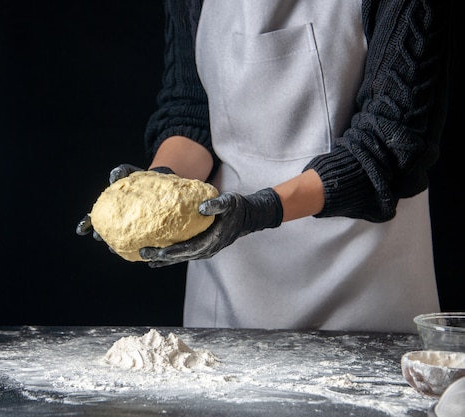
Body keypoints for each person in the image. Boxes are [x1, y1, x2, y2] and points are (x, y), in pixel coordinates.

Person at [77, 0, 451, 333]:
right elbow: (188, 109)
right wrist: (159, 183)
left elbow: (388, 145)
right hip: (230, 286)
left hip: (363, 290)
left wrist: (261, 210)